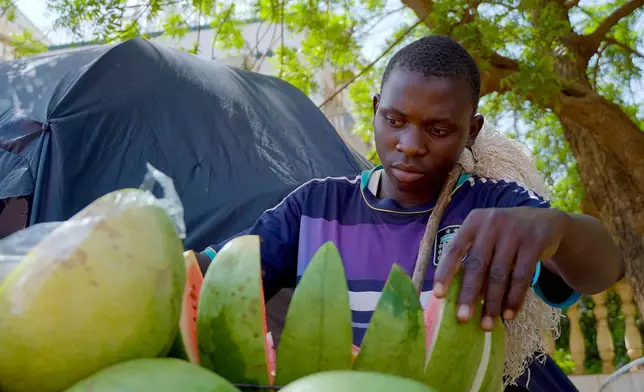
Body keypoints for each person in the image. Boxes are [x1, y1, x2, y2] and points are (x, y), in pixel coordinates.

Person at [194, 35, 624, 391]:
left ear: (471, 130)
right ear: (377, 108)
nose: (411, 144)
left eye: (438, 129)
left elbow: (605, 269)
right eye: (395, 120)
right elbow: (213, 280)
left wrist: (558, 229)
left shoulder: (495, 205)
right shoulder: (313, 208)